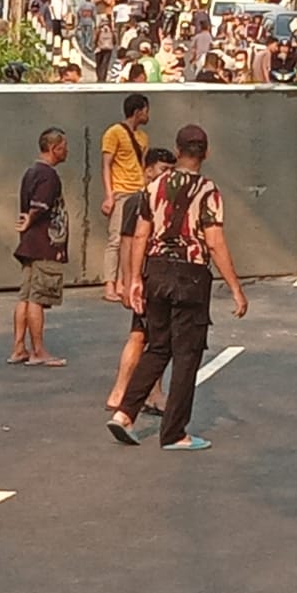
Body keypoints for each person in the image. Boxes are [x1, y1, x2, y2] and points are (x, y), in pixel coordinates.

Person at [107, 125, 248, 451]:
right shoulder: (208, 191)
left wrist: (136, 279)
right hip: (190, 275)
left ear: (177, 149)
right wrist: (235, 288)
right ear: (206, 152)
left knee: (158, 346)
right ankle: (174, 433)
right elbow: (214, 241)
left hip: (156, 271)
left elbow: (140, 234)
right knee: (187, 355)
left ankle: (125, 413)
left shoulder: (154, 186)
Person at [103, 147, 176, 418]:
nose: (167, 175)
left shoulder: (161, 199)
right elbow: (127, 242)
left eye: (171, 171)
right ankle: (143, 393)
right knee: (151, 337)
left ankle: (125, 392)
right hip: (147, 278)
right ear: (148, 170)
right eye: (163, 170)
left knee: (144, 334)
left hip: (152, 278)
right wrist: (127, 280)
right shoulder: (139, 201)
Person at [9, 128, 70, 367]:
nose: (66, 151)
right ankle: (38, 351)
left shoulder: (31, 172)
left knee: (25, 296)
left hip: (29, 245)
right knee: (37, 297)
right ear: (54, 148)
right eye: (64, 146)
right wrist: (31, 219)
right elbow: (40, 205)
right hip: (45, 245)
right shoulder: (48, 176)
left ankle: (18, 348)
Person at [100, 94, 151, 302]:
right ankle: (109, 285)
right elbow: (106, 164)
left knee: (132, 239)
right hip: (121, 191)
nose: (148, 115)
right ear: (138, 112)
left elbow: (143, 165)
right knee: (115, 239)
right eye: (146, 110)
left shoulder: (143, 137)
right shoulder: (114, 133)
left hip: (139, 190)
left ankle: (124, 282)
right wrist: (109, 195)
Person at [93, 15, 116, 83]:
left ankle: (100, 78)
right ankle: (103, 78)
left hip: (99, 49)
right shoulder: (111, 31)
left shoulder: (99, 30)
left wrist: (96, 45)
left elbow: (95, 39)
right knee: (105, 64)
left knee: (99, 64)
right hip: (108, 49)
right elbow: (115, 40)